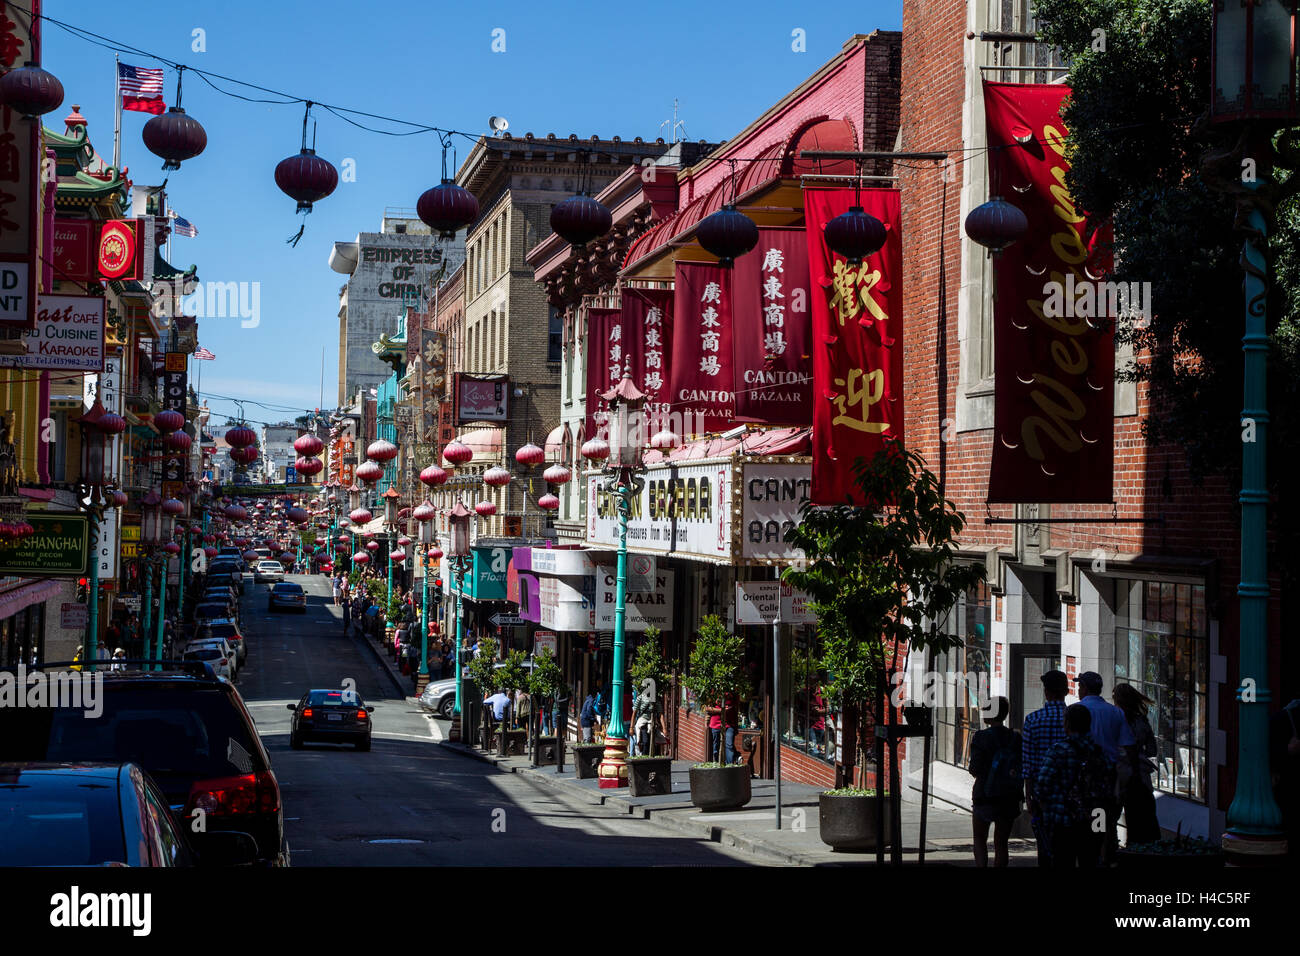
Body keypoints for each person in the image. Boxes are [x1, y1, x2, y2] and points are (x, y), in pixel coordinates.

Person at [1035, 703, 1115, 868]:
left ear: (1067, 724)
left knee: (1063, 860)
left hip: (1065, 818)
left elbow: (1042, 785)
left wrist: (1045, 808)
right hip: (1095, 818)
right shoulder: (1099, 752)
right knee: (1091, 860)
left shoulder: (1058, 751)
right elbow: (1109, 786)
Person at [1075, 671, 1134, 862]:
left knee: (1094, 827)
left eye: (1079, 686)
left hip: (1088, 781)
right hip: (1110, 779)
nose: (1078, 690)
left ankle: (1097, 858)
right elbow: (1128, 745)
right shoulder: (1115, 712)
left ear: (1084, 688)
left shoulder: (1077, 710)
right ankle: (1104, 856)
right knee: (1105, 824)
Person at [1022, 669, 1069, 865]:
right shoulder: (1075, 717)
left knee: (1045, 846)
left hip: (1044, 795)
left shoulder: (1033, 720)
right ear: (1066, 692)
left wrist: (1029, 796)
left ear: (1046, 692)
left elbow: (1028, 763)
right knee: (1068, 847)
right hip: (1071, 793)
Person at [969, 695, 1023, 867]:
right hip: (1009, 795)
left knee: (979, 839)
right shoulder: (1015, 737)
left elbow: (974, 769)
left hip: (984, 794)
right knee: (1001, 843)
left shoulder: (980, 737)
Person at [1112, 683, 1161, 845]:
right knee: (1142, 814)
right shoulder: (1142, 721)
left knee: (1109, 815)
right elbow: (1152, 750)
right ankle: (1140, 847)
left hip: (1117, 772)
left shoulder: (1114, 719)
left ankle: (1108, 851)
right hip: (1140, 773)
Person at [706, 692, 738, 764]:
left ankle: (729, 766)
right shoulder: (713, 692)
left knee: (729, 745)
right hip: (716, 724)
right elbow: (707, 708)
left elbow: (735, 709)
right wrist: (722, 710)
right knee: (716, 747)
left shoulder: (732, 693)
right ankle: (718, 764)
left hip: (729, 724)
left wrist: (736, 727)